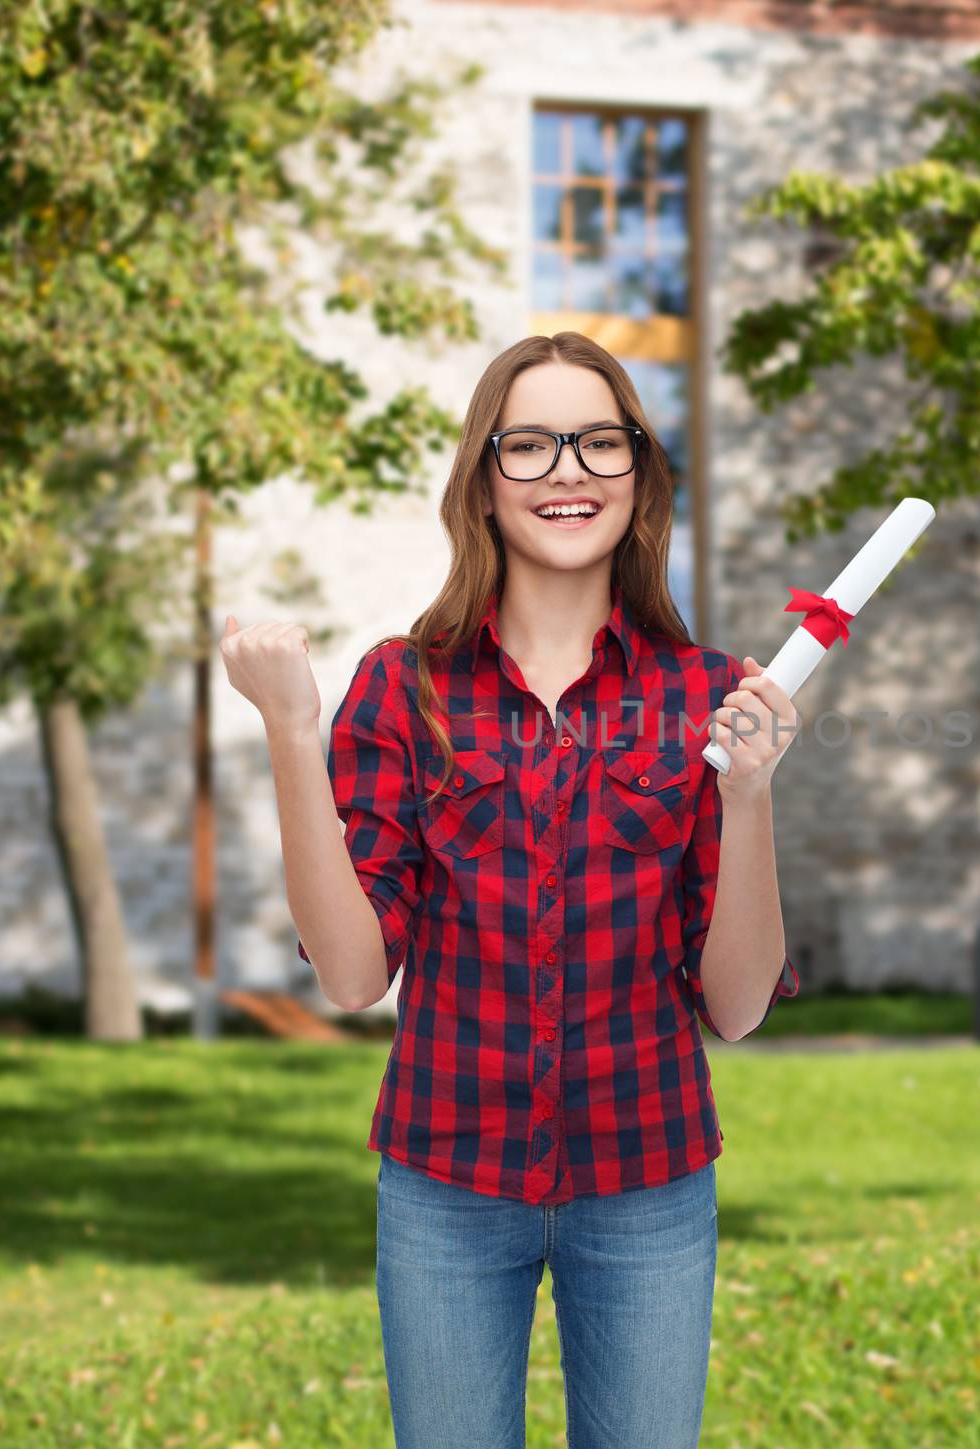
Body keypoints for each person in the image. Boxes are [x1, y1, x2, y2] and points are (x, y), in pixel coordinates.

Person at [220, 331, 801, 1448]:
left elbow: (734, 1006)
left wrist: (752, 797)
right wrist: (293, 730)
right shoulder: (403, 684)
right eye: (528, 445)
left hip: (649, 1184)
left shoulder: (712, 696)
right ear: (482, 486)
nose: (568, 471)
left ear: (640, 478)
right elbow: (349, 975)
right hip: (445, 1185)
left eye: (598, 442)